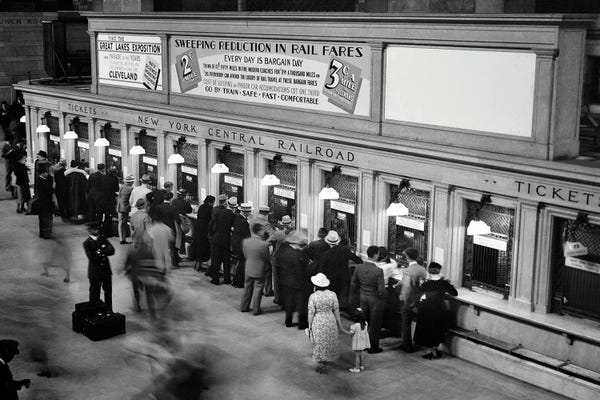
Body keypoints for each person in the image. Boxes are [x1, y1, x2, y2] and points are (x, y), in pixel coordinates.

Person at [414, 262, 458, 360]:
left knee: (427, 330)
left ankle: (432, 352)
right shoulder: (444, 283)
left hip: (425, 311)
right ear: (439, 271)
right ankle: (435, 350)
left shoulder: (426, 284)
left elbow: (418, 295)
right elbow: (455, 293)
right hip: (438, 310)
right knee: (436, 330)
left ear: (429, 271)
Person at [307, 273, 348, 374]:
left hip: (318, 320)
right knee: (329, 340)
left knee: (319, 342)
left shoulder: (313, 296)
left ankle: (321, 364)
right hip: (330, 319)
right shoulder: (332, 294)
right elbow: (336, 310)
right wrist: (340, 325)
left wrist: (309, 326)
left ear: (316, 285)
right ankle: (327, 361)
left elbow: (311, 313)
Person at [350, 245, 386, 354]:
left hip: (363, 297)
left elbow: (354, 283)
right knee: (375, 324)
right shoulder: (378, 271)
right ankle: (373, 347)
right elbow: (381, 291)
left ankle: (363, 345)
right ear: (376, 255)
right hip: (375, 299)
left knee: (363, 322)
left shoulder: (358, 267)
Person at [317, 230, 363, 310]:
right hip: (344, 276)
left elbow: (321, 268)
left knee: (332, 293)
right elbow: (359, 260)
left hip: (331, 277)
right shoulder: (344, 250)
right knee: (342, 293)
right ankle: (340, 307)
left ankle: (332, 308)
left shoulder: (325, 254)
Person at [275, 230, 310, 329]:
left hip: (285, 281)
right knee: (302, 304)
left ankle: (288, 321)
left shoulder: (282, 250)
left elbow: (277, 265)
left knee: (289, 302)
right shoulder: (298, 256)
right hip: (299, 282)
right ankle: (302, 324)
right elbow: (304, 269)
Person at [398, 247, 428, 352]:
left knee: (406, 323)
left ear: (407, 257)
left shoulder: (407, 271)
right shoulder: (422, 269)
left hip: (408, 300)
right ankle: (415, 341)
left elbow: (406, 287)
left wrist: (402, 297)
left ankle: (406, 344)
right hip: (418, 299)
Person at [83, 222, 116, 312]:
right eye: (95, 229)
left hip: (106, 271)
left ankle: (109, 310)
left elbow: (112, 250)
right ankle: (95, 312)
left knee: (108, 292)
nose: (97, 230)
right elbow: (92, 257)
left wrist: (99, 252)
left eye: (97, 229)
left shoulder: (102, 238)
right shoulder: (87, 243)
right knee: (95, 294)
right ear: (90, 230)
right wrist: (104, 251)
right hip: (95, 273)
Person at [241, 223, 270, 315]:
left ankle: (244, 306)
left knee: (247, 288)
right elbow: (267, 257)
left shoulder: (246, 242)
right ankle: (256, 309)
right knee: (258, 289)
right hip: (259, 269)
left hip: (248, 267)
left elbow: (245, 255)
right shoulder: (264, 244)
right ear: (259, 231)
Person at [207, 195, 236, 285]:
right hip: (226, 239)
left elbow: (211, 224)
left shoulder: (218, 212)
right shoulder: (232, 215)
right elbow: (233, 227)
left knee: (216, 259)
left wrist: (211, 235)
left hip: (216, 238)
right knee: (226, 260)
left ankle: (215, 280)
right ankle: (227, 279)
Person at [265, 214, 294, 302]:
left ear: (282, 223)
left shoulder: (278, 233)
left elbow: (267, 243)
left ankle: (278, 298)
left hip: (277, 259)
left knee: (277, 280)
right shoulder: (294, 233)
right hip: (290, 259)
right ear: (290, 223)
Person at [231, 203, 252, 288]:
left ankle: (235, 281)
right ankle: (239, 282)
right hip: (241, 245)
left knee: (240, 263)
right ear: (246, 212)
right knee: (242, 263)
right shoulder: (244, 222)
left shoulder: (237, 217)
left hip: (236, 243)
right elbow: (247, 235)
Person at [192, 195, 214, 268]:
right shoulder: (210, 209)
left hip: (198, 228)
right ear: (210, 202)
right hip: (205, 230)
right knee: (203, 247)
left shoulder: (201, 206)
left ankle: (196, 264)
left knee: (197, 246)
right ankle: (199, 265)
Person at [347, 308, 370, 373]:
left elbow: (350, 333)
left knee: (357, 355)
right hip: (363, 342)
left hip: (357, 343)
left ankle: (357, 368)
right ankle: (361, 365)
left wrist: (343, 330)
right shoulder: (366, 323)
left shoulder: (354, 326)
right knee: (361, 353)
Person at [170, 188, 193, 257]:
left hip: (174, 219)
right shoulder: (185, 203)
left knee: (176, 234)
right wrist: (188, 202)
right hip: (182, 220)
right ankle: (182, 249)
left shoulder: (174, 201)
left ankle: (177, 249)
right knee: (182, 234)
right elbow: (189, 211)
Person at [36, 164, 55, 239]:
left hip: (42, 203)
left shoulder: (40, 180)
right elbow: (51, 190)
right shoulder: (43, 181)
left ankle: (42, 233)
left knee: (42, 219)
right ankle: (47, 234)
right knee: (47, 219)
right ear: (43, 173)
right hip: (46, 203)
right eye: (46, 172)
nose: (47, 174)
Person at [117, 175, 135, 244]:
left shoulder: (122, 186)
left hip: (119, 206)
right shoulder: (131, 189)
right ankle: (123, 239)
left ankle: (121, 238)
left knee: (120, 222)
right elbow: (131, 199)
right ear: (130, 182)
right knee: (123, 223)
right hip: (125, 208)